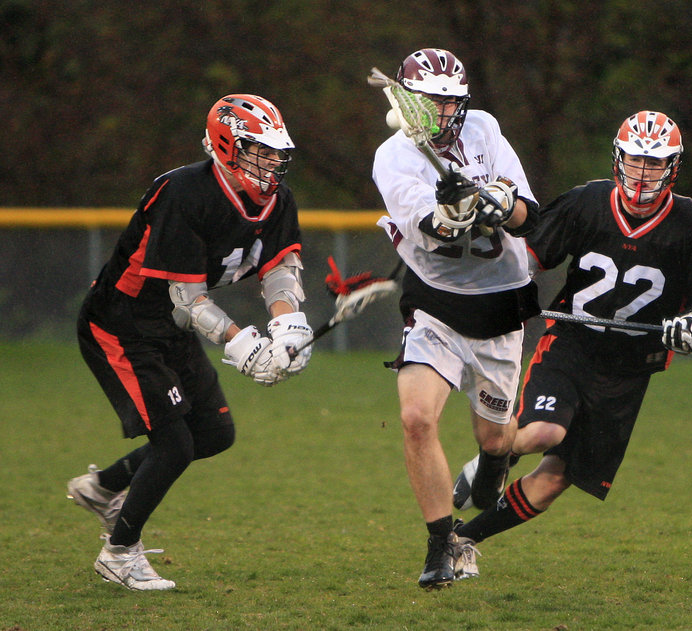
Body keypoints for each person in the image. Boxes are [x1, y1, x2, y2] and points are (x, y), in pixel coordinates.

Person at [451, 111, 692, 571]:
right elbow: (529, 257)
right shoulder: (587, 202)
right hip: (572, 343)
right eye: (635, 161)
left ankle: (460, 540)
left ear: (673, 168)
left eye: (654, 163)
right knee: (543, 431)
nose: (642, 174)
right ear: (619, 159)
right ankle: (491, 459)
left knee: (554, 480)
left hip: (629, 369)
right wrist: (501, 291)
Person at [68, 94, 315, 591]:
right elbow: (187, 299)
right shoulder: (185, 192)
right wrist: (243, 342)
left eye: (274, 153)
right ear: (227, 146)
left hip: (170, 326)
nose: (270, 163)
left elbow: (280, 269)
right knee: (174, 442)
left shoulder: (276, 199)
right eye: (257, 151)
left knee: (214, 433)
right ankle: (119, 552)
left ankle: (104, 487)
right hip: (123, 323)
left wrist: (288, 325)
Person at [371, 48, 541, 589]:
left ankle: (487, 467)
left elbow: (529, 214)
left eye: (450, 103)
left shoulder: (487, 131)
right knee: (417, 418)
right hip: (437, 302)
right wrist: (455, 211)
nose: (442, 115)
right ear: (406, 101)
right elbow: (437, 229)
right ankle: (441, 546)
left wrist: (497, 199)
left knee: (495, 440)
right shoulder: (392, 157)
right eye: (430, 102)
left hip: (500, 302)